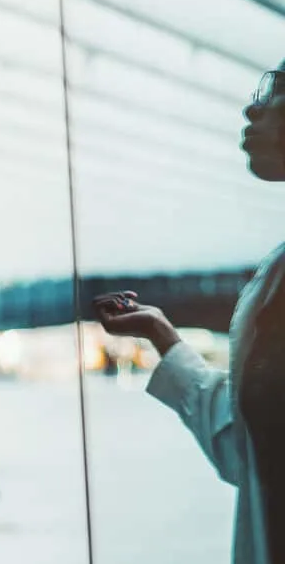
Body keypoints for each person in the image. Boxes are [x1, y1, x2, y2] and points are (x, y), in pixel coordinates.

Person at [93, 60, 285, 564]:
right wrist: (162, 335)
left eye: (276, 90)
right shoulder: (274, 276)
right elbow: (252, 448)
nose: (253, 106)